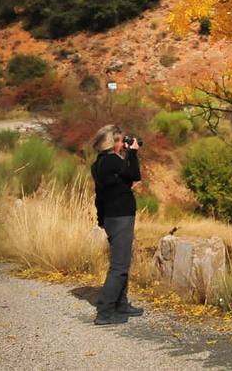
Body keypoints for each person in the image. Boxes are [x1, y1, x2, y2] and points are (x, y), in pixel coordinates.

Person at [90, 124, 142, 324]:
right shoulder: (112, 161)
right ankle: (105, 311)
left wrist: (101, 218)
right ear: (112, 143)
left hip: (112, 218)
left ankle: (121, 304)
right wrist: (133, 154)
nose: (124, 144)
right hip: (121, 217)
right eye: (120, 140)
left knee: (121, 263)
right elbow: (135, 174)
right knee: (119, 267)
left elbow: (100, 196)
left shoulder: (100, 163)